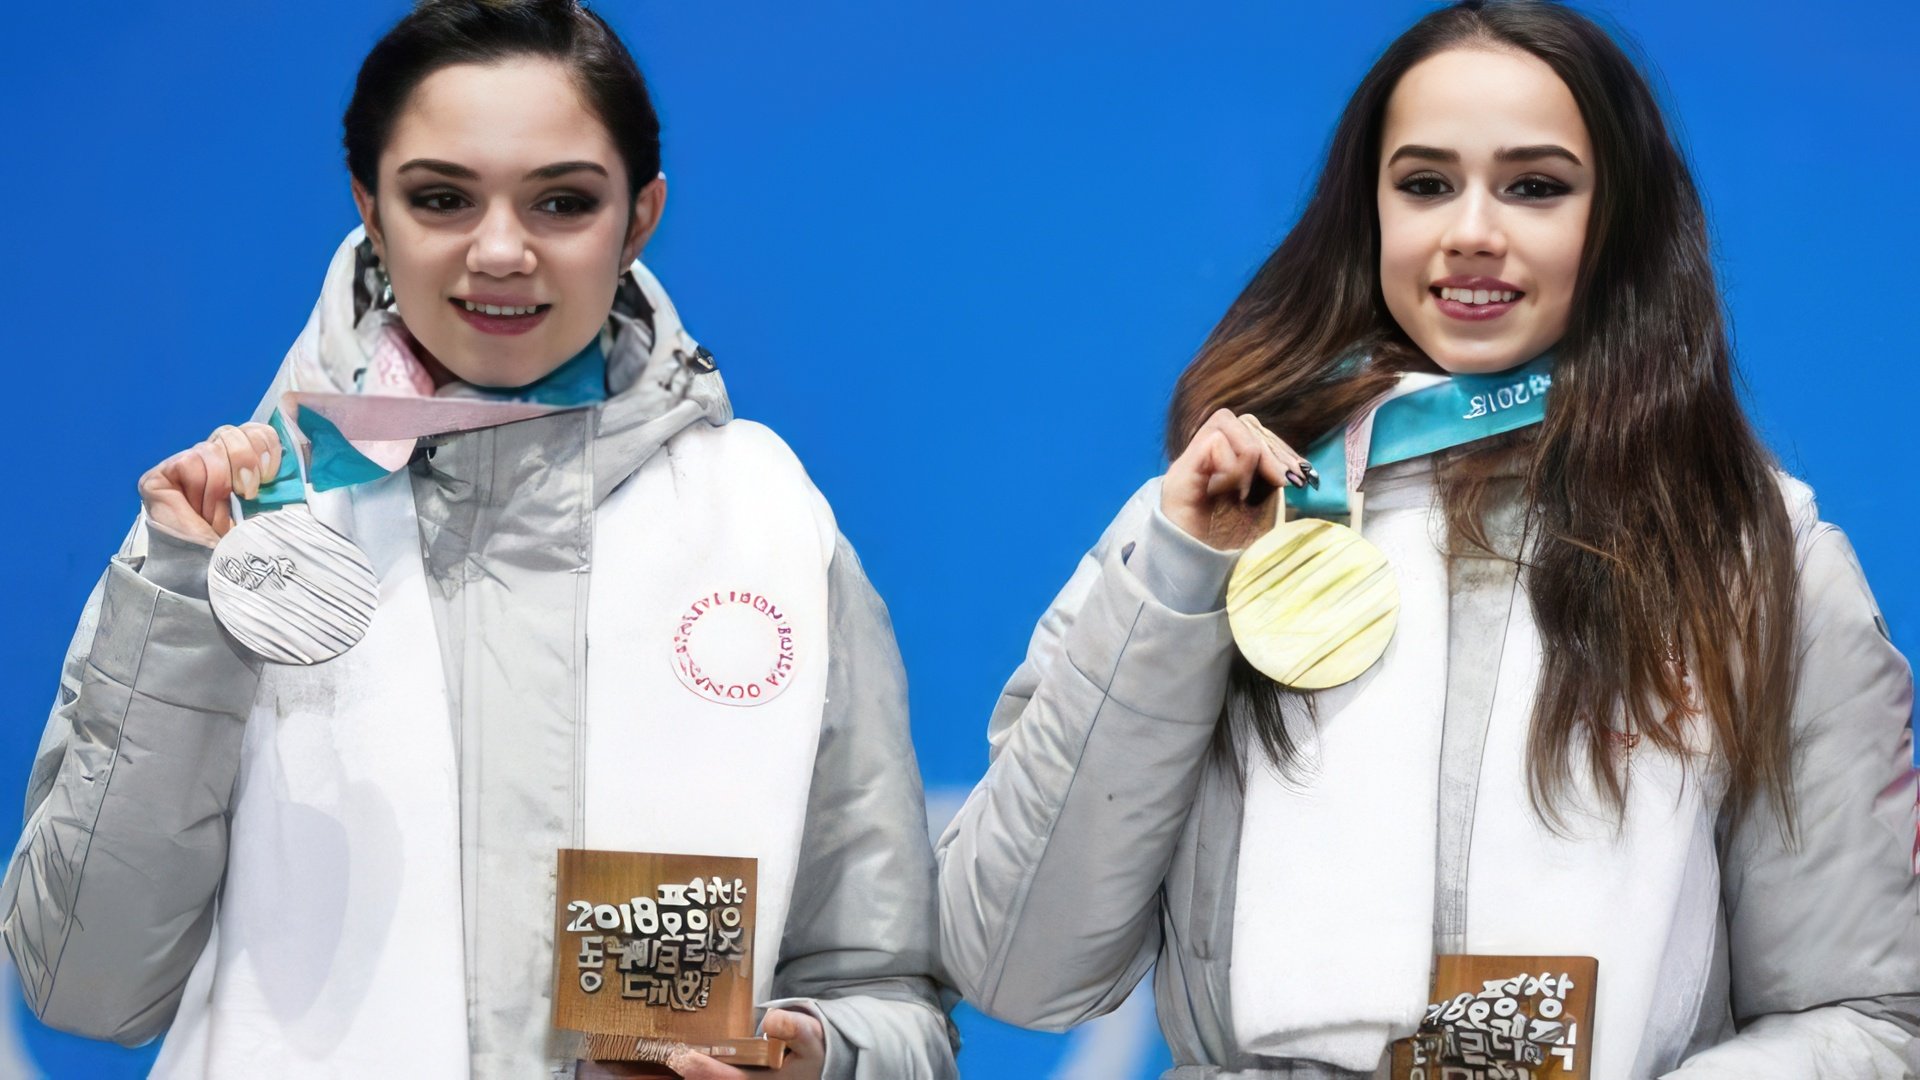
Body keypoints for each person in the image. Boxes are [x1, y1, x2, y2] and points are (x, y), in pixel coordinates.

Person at [934, 2, 1918, 1077]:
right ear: (1370, 214)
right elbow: (1013, 965)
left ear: (1622, 222)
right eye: (1426, 184)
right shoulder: (1224, 521)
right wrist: (1181, 582)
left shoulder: (1753, 560)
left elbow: (1870, 1017)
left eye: (1535, 186)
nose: (1472, 231)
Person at [0, 2, 956, 1078]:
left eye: (562, 201)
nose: (501, 251)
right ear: (369, 208)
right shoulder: (237, 529)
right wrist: (186, 607)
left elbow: (890, 1000)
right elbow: (84, 984)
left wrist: (815, 1058)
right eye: (442, 198)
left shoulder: (766, 523)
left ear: (641, 217)